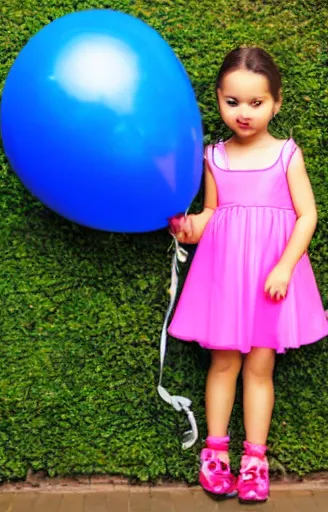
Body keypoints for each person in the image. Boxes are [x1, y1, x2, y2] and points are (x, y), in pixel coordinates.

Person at [168, 46, 328, 503]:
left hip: (270, 282)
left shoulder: (286, 154)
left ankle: (254, 460)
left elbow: (307, 216)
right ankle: (214, 452)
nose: (243, 112)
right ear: (218, 99)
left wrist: (284, 265)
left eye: (255, 103)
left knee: (260, 367)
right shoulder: (212, 156)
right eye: (232, 101)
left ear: (276, 102)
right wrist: (188, 227)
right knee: (223, 364)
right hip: (225, 279)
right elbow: (211, 213)